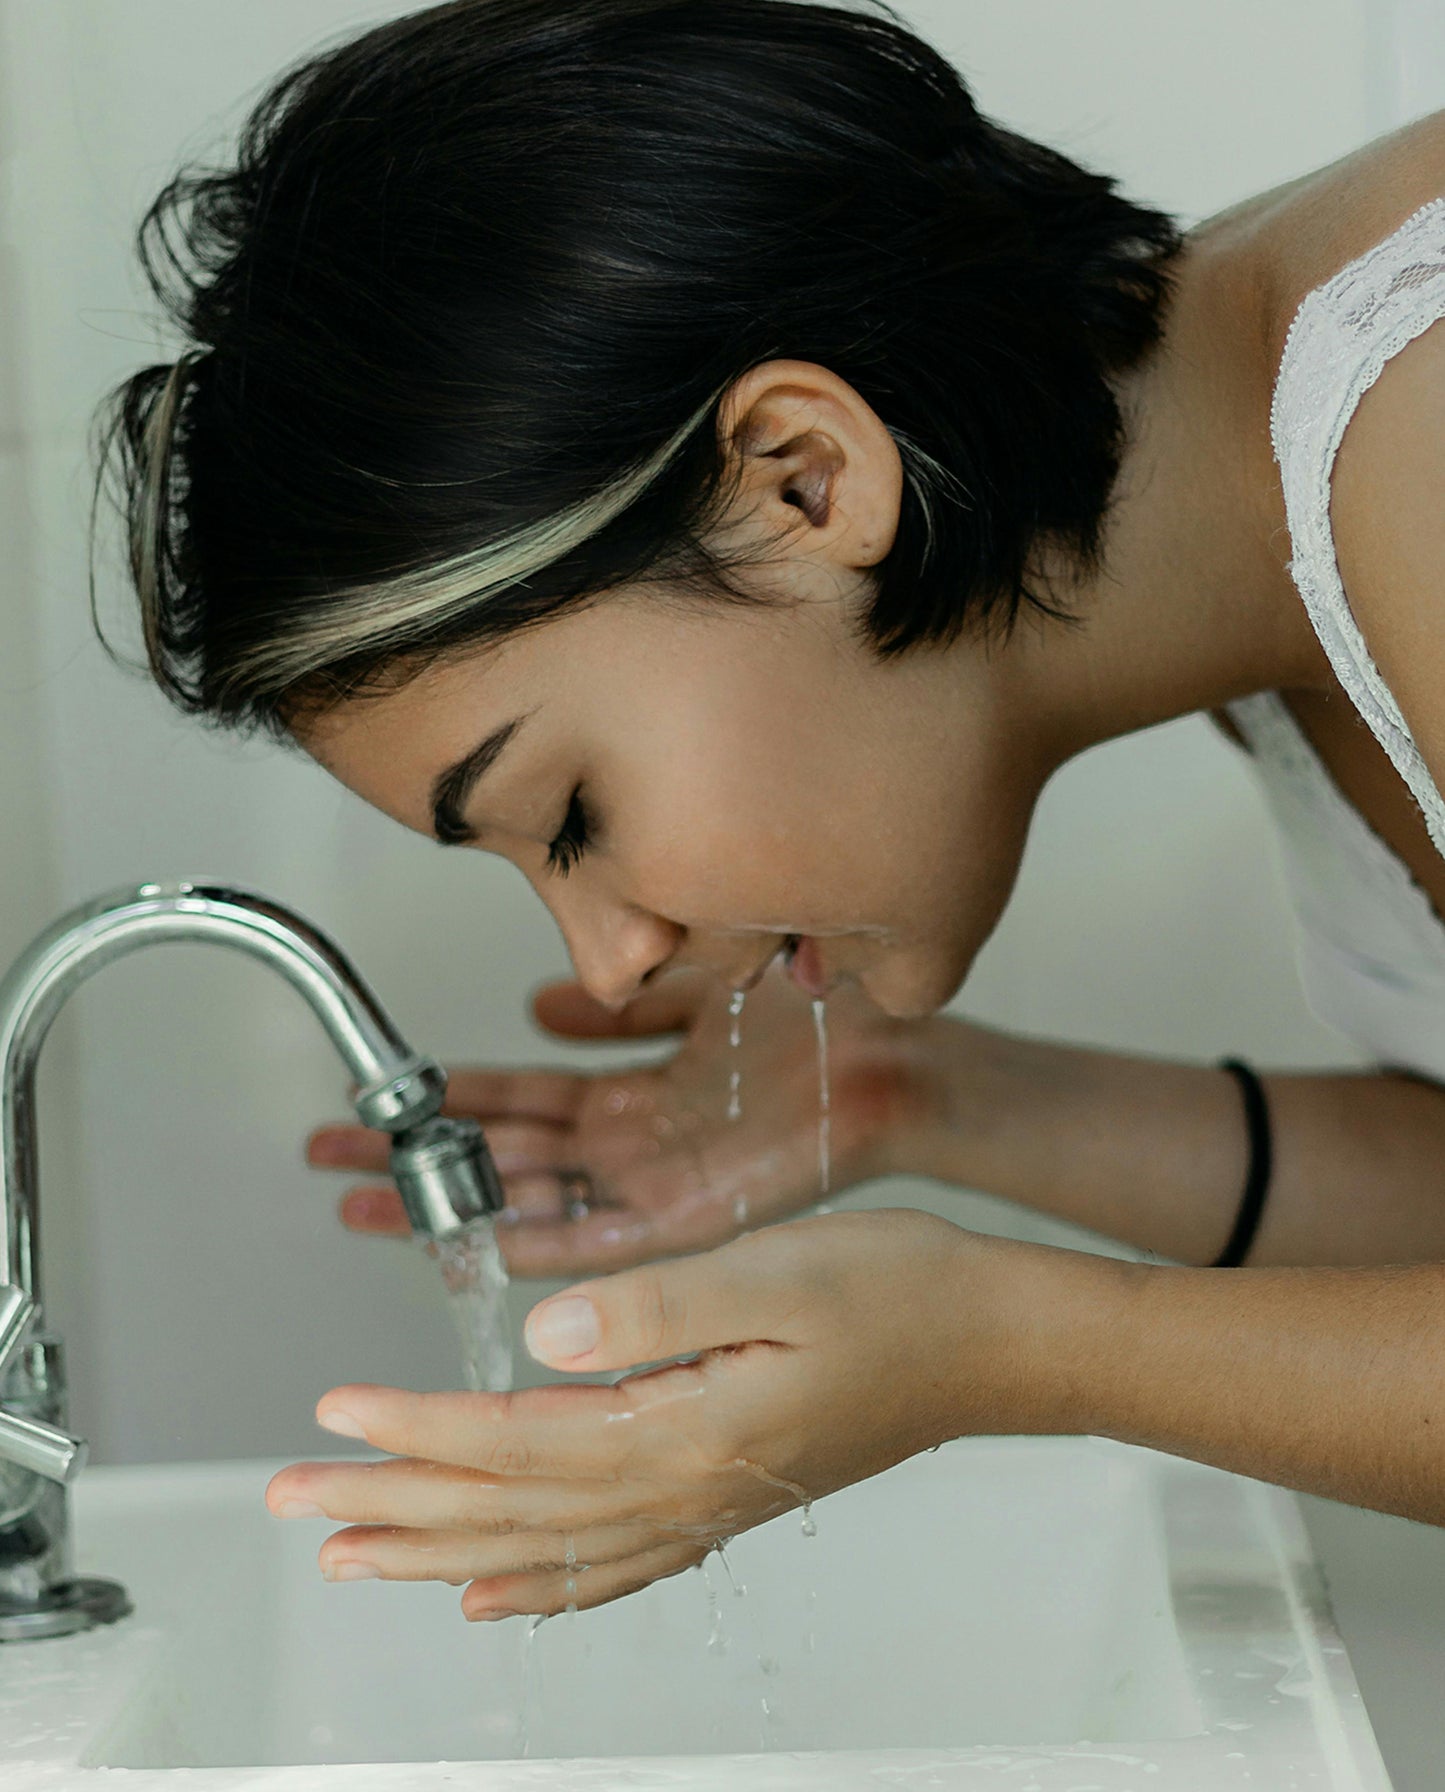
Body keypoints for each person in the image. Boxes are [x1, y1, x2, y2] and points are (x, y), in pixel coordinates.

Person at [93, 0, 1445, 1623]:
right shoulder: (1262, 533)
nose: (612, 962)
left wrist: (1011, 1342)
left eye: (571, 811)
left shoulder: (1420, 422)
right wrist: (922, 1102)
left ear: (804, 476)